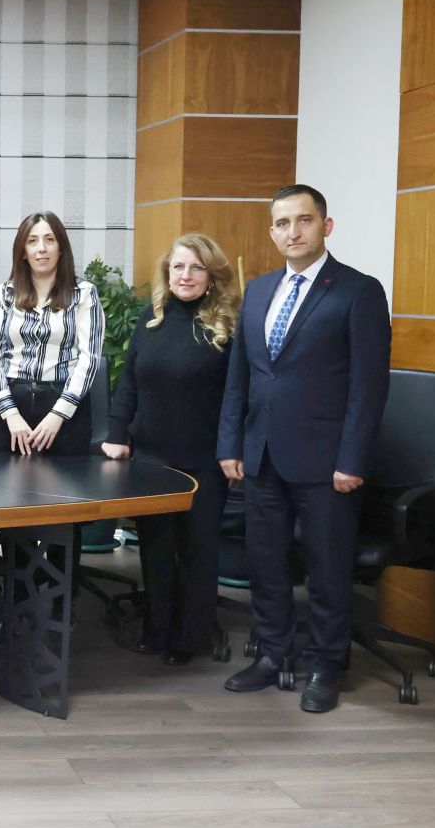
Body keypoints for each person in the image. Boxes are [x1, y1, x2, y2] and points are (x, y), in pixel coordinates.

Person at [218, 184, 391, 713]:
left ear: (326, 226)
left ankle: (324, 664)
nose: (292, 232)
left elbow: (368, 387)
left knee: (327, 569)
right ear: (272, 232)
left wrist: (352, 460)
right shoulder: (259, 291)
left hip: (326, 462)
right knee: (266, 563)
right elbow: (241, 377)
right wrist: (230, 443)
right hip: (262, 455)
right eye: (282, 223)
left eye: (304, 220)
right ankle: (273, 654)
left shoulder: (358, 292)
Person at [103, 233, 239, 664]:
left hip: (205, 460)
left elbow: (238, 398)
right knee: (157, 550)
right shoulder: (151, 319)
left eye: (196, 267)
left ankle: (190, 639)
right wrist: (117, 434)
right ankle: (157, 630)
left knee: (197, 552)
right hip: (151, 459)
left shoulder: (228, 327)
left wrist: (232, 449)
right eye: (178, 266)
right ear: (168, 272)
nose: (186, 275)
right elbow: (129, 385)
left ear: (211, 276)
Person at [0, 211, 104, 456]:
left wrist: (59, 414)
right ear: (23, 251)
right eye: (32, 241)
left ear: (61, 248)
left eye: (50, 240)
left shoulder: (84, 294)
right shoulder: (2, 295)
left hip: (65, 405)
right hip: (11, 405)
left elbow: (89, 360)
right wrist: (10, 414)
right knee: (6, 479)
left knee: (64, 480)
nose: (41, 249)